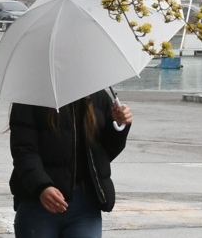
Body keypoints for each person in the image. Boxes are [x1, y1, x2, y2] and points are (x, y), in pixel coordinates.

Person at [9, 90, 133, 238]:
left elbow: (103, 154)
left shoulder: (97, 95)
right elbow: (24, 151)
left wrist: (118, 126)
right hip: (38, 205)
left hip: (85, 205)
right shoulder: (30, 94)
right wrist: (42, 186)